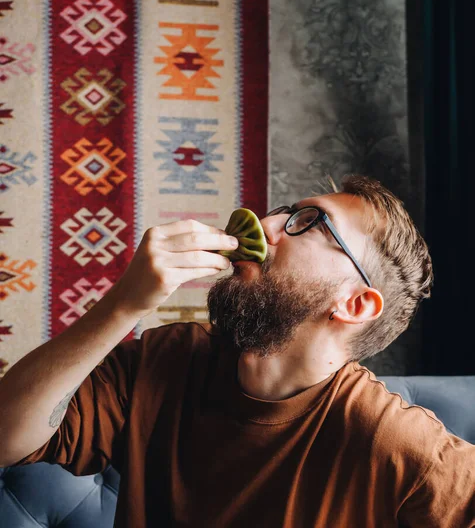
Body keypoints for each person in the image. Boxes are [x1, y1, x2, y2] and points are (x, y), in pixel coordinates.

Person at [0, 174, 473, 527]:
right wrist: (123, 305)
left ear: (354, 303)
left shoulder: (390, 440)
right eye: (284, 210)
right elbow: (7, 436)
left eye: (308, 223)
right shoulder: (167, 359)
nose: (265, 224)